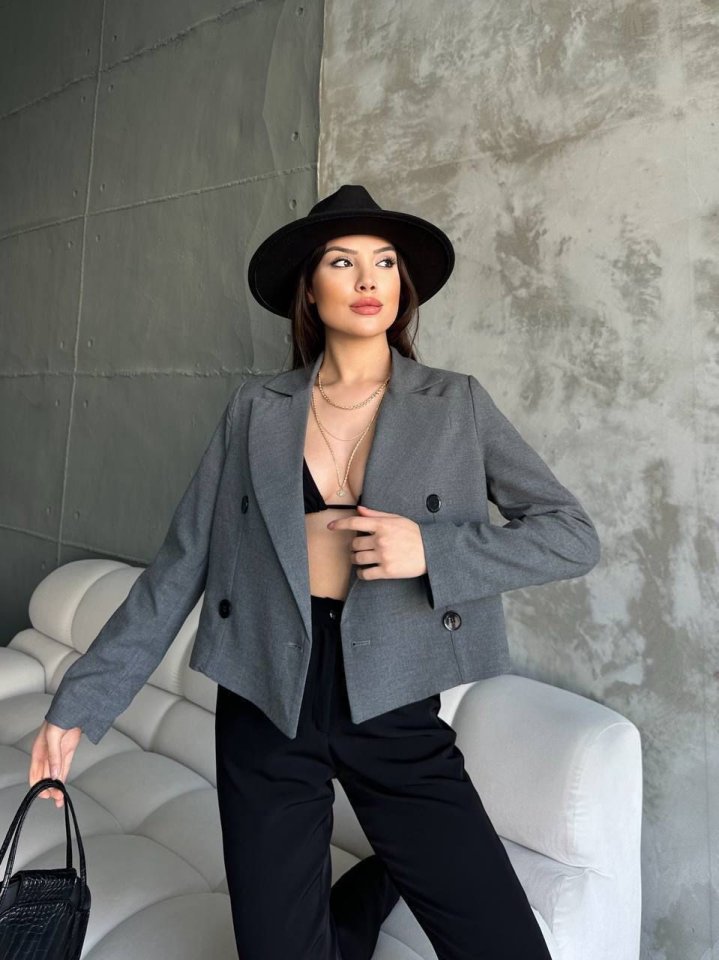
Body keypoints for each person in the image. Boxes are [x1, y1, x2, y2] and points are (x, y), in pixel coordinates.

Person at [30, 184, 600, 959]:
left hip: (392, 701)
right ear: (309, 288)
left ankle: (385, 872)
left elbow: (570, 536)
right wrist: (80, 702)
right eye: (341, 262)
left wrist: (432, 551)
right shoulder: (256, 409)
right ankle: (359, 907)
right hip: (265, 697)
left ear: (402, 286)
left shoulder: (454, 404)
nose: (367, 280)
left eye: (384, 263)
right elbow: (181, 564)